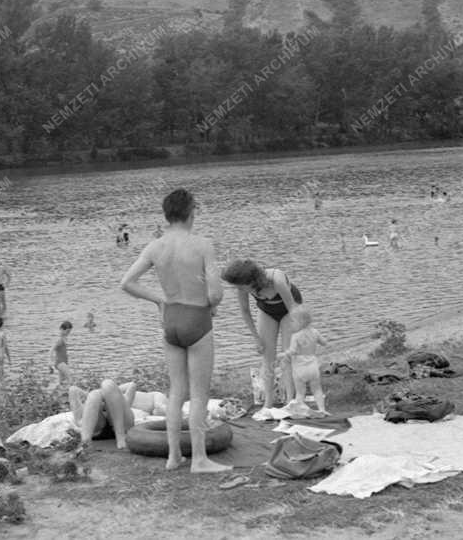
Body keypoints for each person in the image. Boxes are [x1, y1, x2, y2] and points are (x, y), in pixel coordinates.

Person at [121, 188, 230, 473]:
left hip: (171, 319)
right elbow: (216, 293)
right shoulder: (202, 244)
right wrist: (210, 305)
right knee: (199, 393)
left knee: (176, 391)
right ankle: (200, 460)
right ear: (191, 211)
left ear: (167, 215)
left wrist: (159, 299)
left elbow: (127, 282)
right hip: (197, 318)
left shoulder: (155, 246)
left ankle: (173, 456)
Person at [222, 259, 301, 410]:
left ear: (251, 280)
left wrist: (299, 332)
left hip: (290, 310)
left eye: (240, 285)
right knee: (267, 356)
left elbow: (292, 308)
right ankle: (268, 403)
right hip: (267, 311)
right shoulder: (242, 288)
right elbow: (245, 312)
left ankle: (290, 401)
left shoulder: (276, 279)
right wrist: (256, 338)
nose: (237, 288)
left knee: (287, 355)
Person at [68, 380, 167, 450]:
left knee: (107, 384)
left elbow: (132, 385)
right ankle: (85, 442)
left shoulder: (119, 402)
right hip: (96, 430)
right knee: (95, 394)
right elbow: (72, 390)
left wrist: (106, 393)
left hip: (122, 426)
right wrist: (92, 395)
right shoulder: (90, 410)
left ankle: (120, 436)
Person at [277, 309, 328, 413]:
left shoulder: (296, 336)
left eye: (292, 321)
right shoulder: (315, 332)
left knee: (300, 392)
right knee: (317, 390)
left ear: (300, 322)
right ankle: (322, 409)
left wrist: (282, 355)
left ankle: (299, 410)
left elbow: (293, 351)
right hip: (313, 367)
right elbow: (324, 342)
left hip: (300, 368)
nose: (291, 324)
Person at [50, 321, 73, 387]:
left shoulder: (64, 338)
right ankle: (71, 394)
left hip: (62, 363)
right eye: (67, 331)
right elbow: (51, 350)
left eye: (69, 332)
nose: (68, 333)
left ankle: (55, 393)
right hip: (60, 363)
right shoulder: (60, 340)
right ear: (62, 329)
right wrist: (50, 362)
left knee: (61, 382)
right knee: (70, 380)